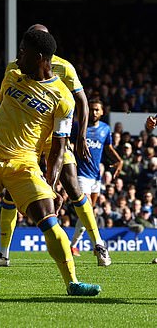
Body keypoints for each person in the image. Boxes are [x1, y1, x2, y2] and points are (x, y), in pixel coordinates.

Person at [0, 29, 100, 297]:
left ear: (39, 58)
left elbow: (59, 149)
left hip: (23, 165)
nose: (18, 57)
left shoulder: (62, 97)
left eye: (23, 51)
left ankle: (72, 281)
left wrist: (50, 185)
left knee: (49, 222)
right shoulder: (13, 73)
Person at [0, 24, 111, 268]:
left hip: (56, 136)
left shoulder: (65, 67)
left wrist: (81, 135)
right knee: (10, 193)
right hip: (26, 139)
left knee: (73, 187)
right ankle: (3, 254)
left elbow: (81, 100)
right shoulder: (14, 67)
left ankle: (99, 244)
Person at [69, 99, 122, 252]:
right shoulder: (79, 127)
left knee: (87, 213)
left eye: (97, 109)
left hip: (95, 176)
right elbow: (67, 143)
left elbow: (108, 148)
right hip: (81, 174)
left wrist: (119, 161)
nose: (94, 112)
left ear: (102, 112)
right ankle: (97, 245)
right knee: (87, 209)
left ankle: (73, 246)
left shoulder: (105, 129)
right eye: (91, 109)